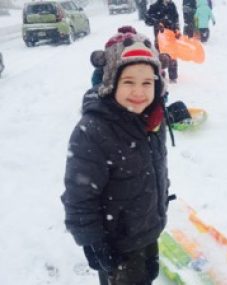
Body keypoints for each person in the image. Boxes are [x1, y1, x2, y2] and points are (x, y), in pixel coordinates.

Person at [61, 26, 174, 285]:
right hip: (116, 242)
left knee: (148, 276)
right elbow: (79, 196)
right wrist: (92, 241)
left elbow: (156, 165)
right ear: (111, 83)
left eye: (147, 83)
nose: (139, 92)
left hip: (148, 227)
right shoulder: (94, 131)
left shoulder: (151, 120)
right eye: (129, 82)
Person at [145, 0, 180, 83]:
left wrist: (177, 30)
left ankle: (173, 77)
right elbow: (148, 20)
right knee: (160, 56)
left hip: (171, 36)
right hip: (159, 37)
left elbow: (176, 19)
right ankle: (159, 75)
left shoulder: (172, 5)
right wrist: (157, 21)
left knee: (173, 55)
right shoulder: (155, 6)